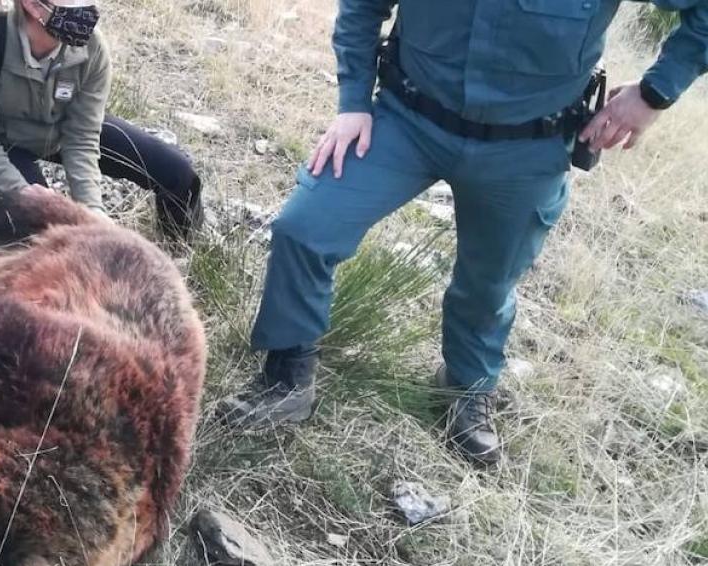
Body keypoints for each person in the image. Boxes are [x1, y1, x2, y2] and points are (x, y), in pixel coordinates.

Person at [223, 0, 707, 465]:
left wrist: (652, 96)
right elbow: (363, 4)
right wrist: (353, 102)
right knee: (305, 227)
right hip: (408, 120)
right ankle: (287, 380)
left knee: (488, 283)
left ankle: (465, 387)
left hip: (526, 149)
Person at [0, 0, 204, 237]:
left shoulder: (93, 47)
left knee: (178, 173)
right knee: (39, 226)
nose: (86, 7)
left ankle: (179, 252)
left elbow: (82, 136)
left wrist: (92, 210)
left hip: (61, 131)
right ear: (32, 4)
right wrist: (22, 193)